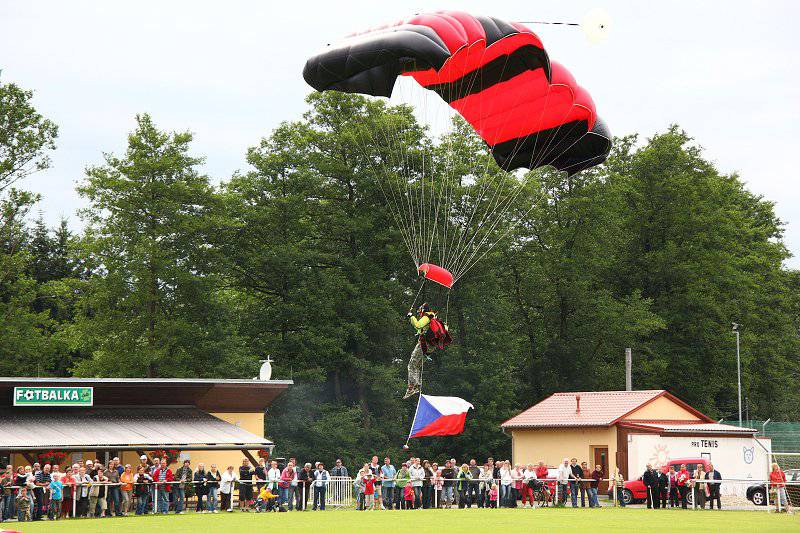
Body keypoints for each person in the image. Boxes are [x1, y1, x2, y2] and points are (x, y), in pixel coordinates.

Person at [404, 303, 440, 398]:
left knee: (411, 365)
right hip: (431, 347)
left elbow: (418, 325)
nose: (419, 313)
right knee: (417, 366)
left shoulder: (427, 317)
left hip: (424, 345)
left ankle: (412, 387)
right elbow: (419, 328)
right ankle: (417, 385)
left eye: (420, 311)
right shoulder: (433, 318)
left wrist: (411, 316)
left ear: (423, 310)